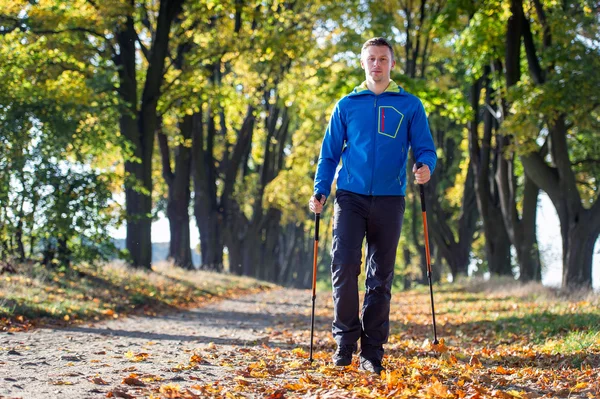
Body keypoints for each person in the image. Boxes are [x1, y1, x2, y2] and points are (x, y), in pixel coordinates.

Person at [309, 37, 437, 375]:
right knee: (344, 267)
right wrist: (321, 190)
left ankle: (373, 351)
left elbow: (426, 149)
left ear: (392, 64)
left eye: (383, 59)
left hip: (390, 199)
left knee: (380, 277)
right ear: (363, 63)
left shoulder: (410, 105)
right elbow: (329, 154)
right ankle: (345, 342)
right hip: (349, 196)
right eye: (371, 59)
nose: (377, 65)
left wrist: (425, 167)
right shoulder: (347, 105)